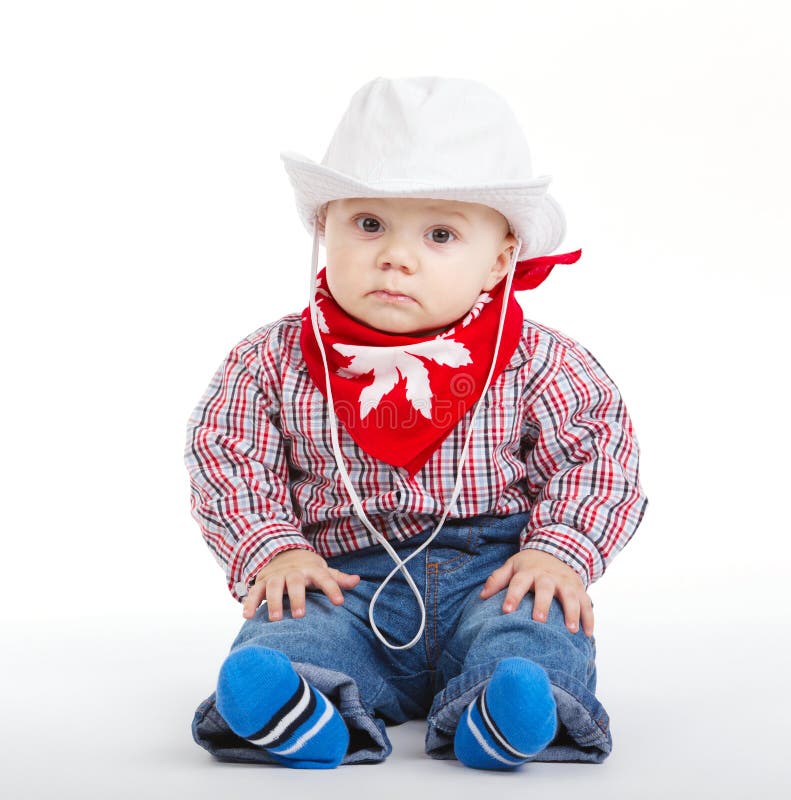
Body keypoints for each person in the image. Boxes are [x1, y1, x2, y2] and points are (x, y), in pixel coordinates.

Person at [184, 75, 649, 770]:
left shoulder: (537, 359)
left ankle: (505, 711)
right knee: (293, 629)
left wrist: (558, 551)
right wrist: (273, 549)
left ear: (499, 260)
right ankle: (300, 709)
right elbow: (228, 454)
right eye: (368, 224)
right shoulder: (272, 360)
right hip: (340, 580)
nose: (395, 256)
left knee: (534, 629)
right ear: (324, 225)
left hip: (493, 574)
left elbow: (598, 453)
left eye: (439, 234)